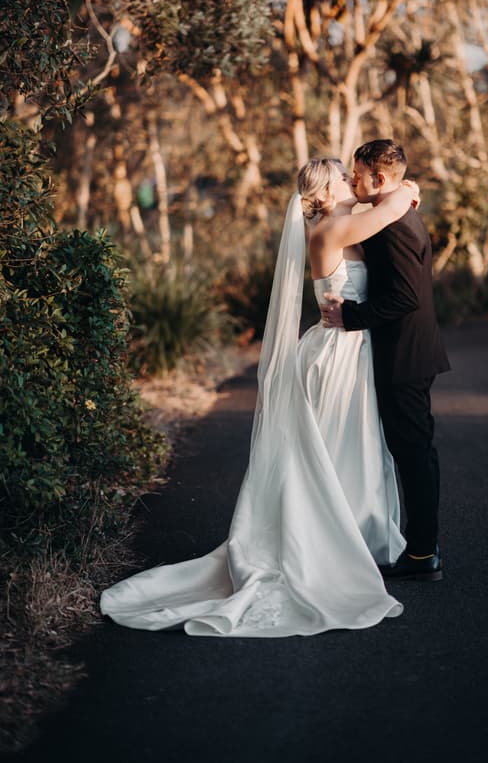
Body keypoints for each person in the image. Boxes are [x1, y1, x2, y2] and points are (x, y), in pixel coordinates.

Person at [100, 158, 419, 637]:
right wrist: (407, 187)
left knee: (346, 448)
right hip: (335, 355)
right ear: (325, 194)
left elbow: (387, 210)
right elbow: (392, 209)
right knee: (328, 450)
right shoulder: (330, 231)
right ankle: (320, 546)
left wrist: (400, 189)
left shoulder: (339, 223)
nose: (351, 184)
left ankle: (354, 535)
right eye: (342, 179)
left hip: (349, 348)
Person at [321, 140, 450, 582]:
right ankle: (420, 547)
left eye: (357, 176)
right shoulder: (393, 210)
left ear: (378, 179)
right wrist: (400, 193)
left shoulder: (393, 224)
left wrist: (350, 315)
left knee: (413, 451)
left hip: (405, 354)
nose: (353, 182)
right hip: (410, 350)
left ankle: (422, 554)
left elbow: (405, 296)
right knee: (412, 449)